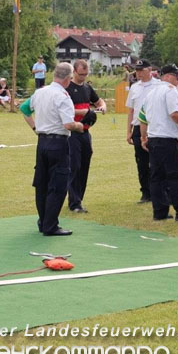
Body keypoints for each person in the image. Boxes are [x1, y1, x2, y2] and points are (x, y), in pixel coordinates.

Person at [138, 64, 178, 222]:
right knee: (175, 176)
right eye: (176, 76)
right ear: (168, 76)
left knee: (157, 178)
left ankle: (160, 211)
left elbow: (142, 118)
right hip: (167, 140)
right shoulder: (170, 91)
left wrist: (143, 137)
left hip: (154, 139)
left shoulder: (150, 93)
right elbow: (175, 114)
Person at [29, 62, 84, 236]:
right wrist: (80, 126)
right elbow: (68, 124)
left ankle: (43, 220)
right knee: (58, 185)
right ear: (68, 79)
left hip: (42, 141)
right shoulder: (63, 96)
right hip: (58, 143)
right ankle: (51, 225)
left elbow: (26, 109)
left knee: (41, 184)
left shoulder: (40, 92)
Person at [65, 59, 107, 213]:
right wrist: (81, 112)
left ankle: (79, 199)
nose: (83, 77)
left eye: (85, 74)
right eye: (81, 74)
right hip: (72, 132)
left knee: (84, 165)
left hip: (85, 132)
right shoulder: (67, 88)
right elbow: (63, 110)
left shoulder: (87, 88)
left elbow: (98, 100)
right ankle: (74, 203)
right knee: (74, 166)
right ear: (74, 72)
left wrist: (102, 106)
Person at [125, 59, 159, 204]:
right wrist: (129, 131)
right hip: (139, 127)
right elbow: (131, 110)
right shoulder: (134, 87)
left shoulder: (158, 85)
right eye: (137, 70)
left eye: (141, 70)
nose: (138, 73)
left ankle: (159, 191)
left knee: (157, 161)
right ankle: (145, 192)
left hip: (154, 127)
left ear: (149, 69)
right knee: (141, 162)